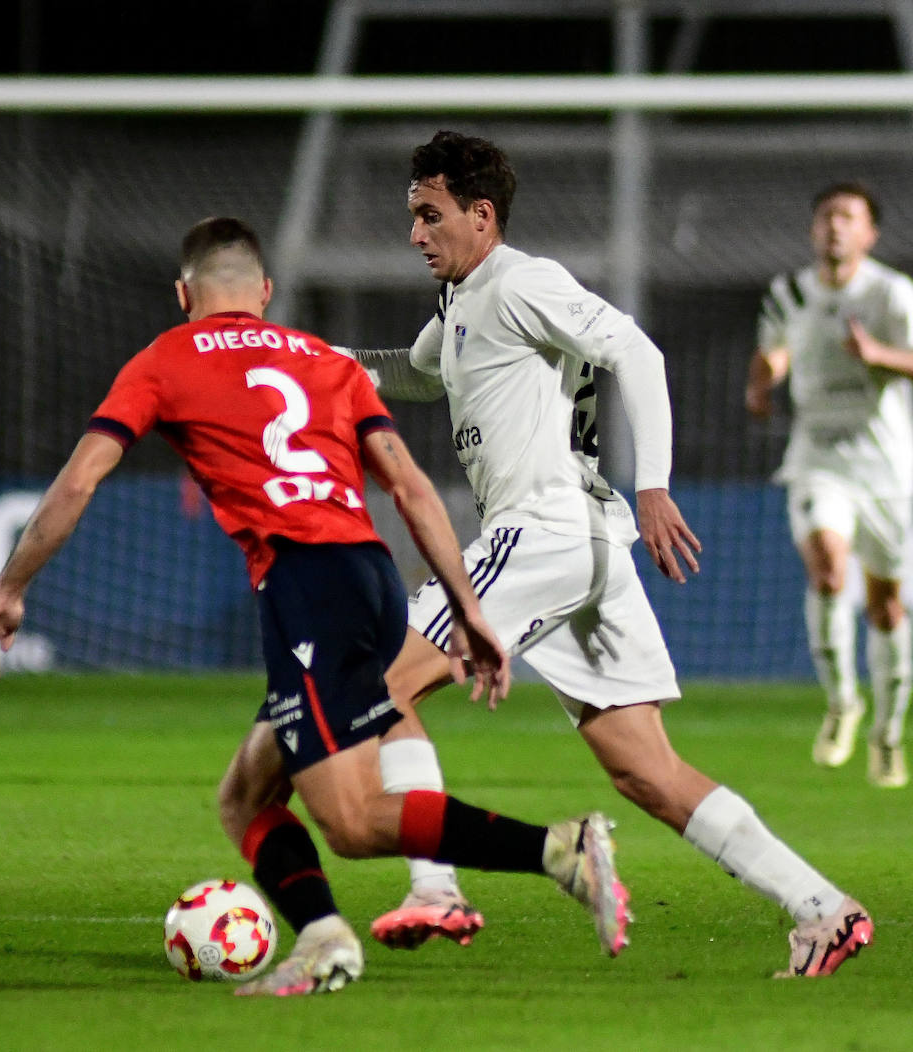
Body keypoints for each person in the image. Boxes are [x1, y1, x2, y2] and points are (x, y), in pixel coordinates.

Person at [222, 130, 873, 978]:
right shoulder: (463, 304)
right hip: (586, 550)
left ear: (481, 216)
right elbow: (410, 373)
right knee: (645, 769)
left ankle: (436, 887)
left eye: (430, 215)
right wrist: (298, 357)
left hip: (545, 529)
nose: (415, 234)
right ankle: (824, 907)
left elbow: (636, 349)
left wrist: (654, 483)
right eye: (412, 216)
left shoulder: (520, 280)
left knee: (379, 680)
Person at [0, 216, 630, 998]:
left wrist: (9, 589)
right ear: (266, 293)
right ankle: (321, 935)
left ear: (185, 294)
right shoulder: (322, 360)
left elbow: (77, 483)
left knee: (349, 822)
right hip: (372, 579)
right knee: (245, 795)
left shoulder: (162, 359)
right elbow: (411, 488)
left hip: (306, 590)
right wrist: (468, 609)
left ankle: (559, 849)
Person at [745, 182, 913, 789]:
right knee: (828, 567)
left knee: (886, 601)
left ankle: (888, 735)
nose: (835, 227)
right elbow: (775, 354)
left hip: (884, 465)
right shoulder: (788, 293)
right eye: (826, 217)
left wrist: (878, 354)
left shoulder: (891, 292)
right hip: (817, 456)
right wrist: (762, 381)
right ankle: (842, 702)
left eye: (848, 218)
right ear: (814, 230)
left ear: (870, 234)